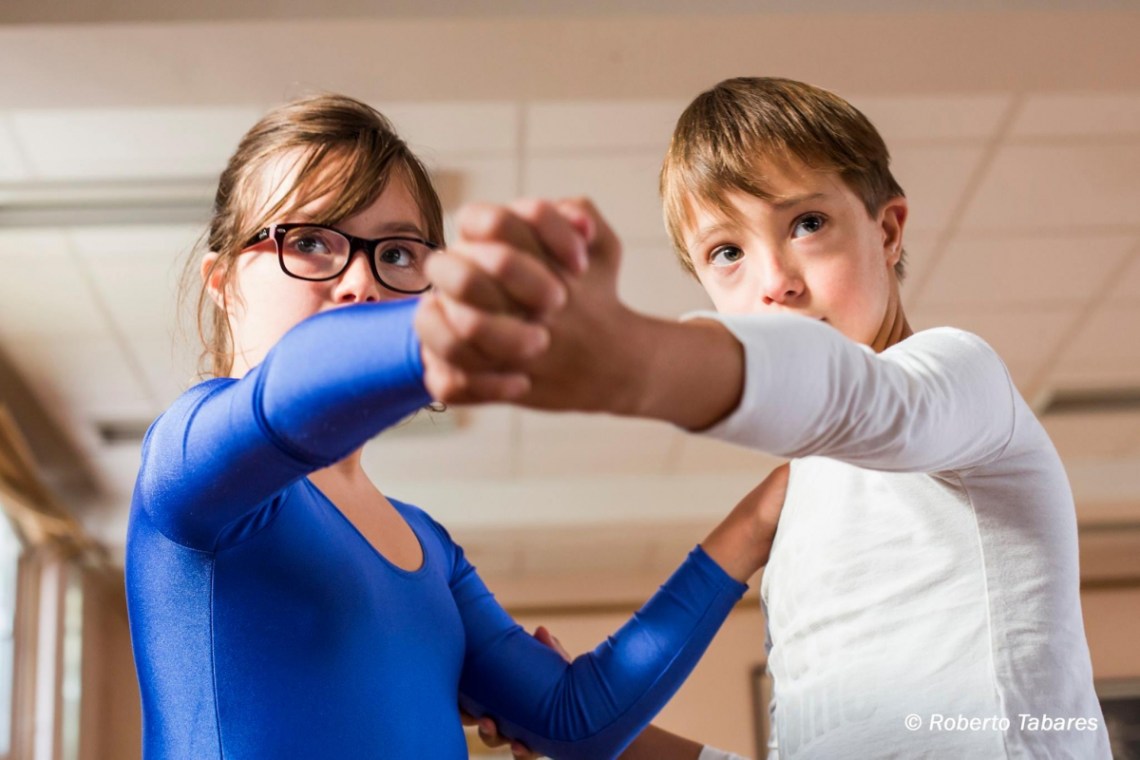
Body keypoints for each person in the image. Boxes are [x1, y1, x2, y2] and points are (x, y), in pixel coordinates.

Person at [416, 77, 1112, 758]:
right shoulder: (802, 518)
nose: (775, 280)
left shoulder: (959, 377)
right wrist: (601, 740)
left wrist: (641, 363)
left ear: (889, 229)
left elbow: (875, 404)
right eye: (728, 253)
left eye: (807, 224)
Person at [124, 92, 790, 760]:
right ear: (223, 282)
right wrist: (473, 325)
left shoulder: (427, 547)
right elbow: (289, 394)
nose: (361, 281)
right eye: (308, 242)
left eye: (397, 253)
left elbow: (575, 721)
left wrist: (755, 524)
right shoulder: (190, 467)